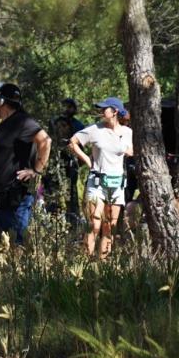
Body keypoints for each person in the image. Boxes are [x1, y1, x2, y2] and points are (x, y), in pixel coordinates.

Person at [0, 83, 51, 253]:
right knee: (6, 245)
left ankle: (22, 277)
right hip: (1, 195)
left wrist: (36, 170)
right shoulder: (5, 124)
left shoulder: (22, 121)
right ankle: (11, 278)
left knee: (17, 244)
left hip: (16, 195)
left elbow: (45, 141)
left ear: (1, 101)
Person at [69, 97, 134, 260]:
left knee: (109, 227)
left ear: (115, 112)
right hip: (97, 182)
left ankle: (103, 264)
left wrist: (128, 150)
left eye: (104, 108)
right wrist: (87, 160)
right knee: (94, 225)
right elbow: (73, 142)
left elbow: (132, 151)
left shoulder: (127, 132)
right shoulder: (94, 129)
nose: (101, 111)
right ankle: (87, 263)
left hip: (117, 183)